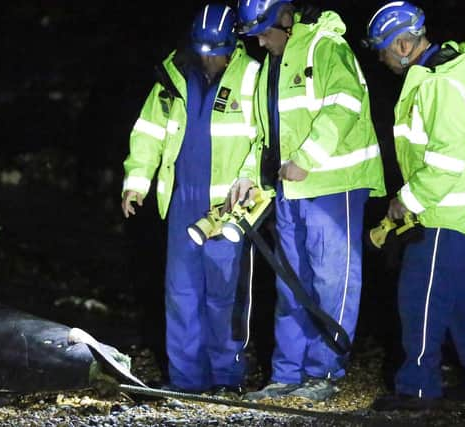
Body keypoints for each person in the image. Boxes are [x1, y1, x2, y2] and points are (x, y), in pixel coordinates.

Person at [231, 0, 387, 401]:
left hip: (335, 185)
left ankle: (325, 372)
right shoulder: (272, 66)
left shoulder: (326, 47)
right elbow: (264, 133)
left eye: (264, 33)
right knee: (291, 284)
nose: (261, 43)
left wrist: (307, 159)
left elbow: (345, 104)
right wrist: (249, 175)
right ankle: (287, 374)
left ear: (285, 19)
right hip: (291, 190)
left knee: (331, 281)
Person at [121, 3, 260, 394]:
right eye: (203, 49)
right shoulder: (173, 76)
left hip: (230, 209)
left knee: (225, 296)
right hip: (183, 201)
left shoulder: (252, 76)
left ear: (233, 46)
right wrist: (136, 182)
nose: (209, 58)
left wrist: (249, 181)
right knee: (181, 294)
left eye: (217, 51)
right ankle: (185, 380)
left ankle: (226, 378)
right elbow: (148, 132)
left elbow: (264, 140)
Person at [362, 1, 465, 411]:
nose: (381, 59)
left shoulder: (437, 83)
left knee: (421, 300)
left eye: (382, 50)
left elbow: (447, 159)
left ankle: (417, 390)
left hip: (443, 215)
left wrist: (407, 201)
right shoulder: (452, 76)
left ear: (402, 44)